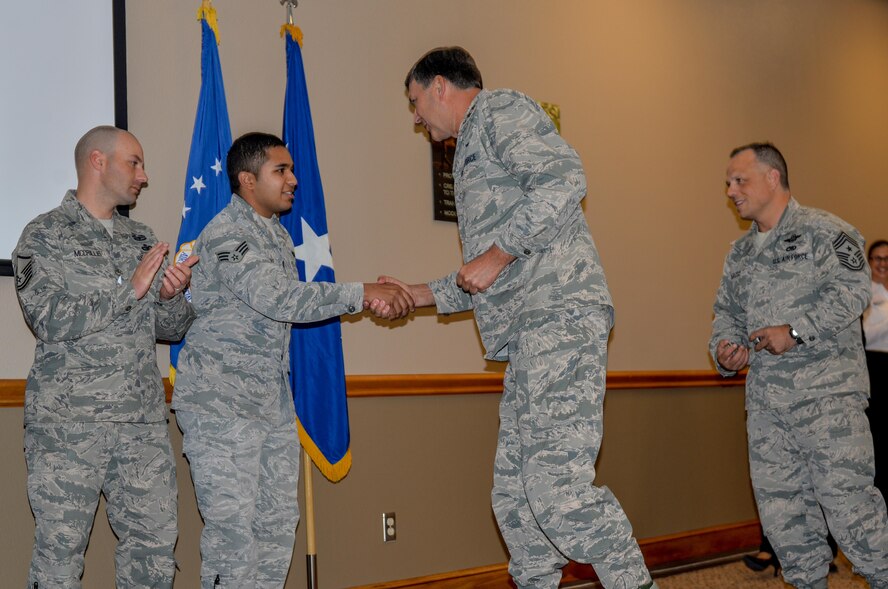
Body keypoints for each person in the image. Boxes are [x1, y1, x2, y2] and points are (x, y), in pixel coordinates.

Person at [377, 47, 656, 589]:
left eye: (414, 101)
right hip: (529, 333)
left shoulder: (499, 110)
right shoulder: (468, 150)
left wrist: (499, 251)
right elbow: (484, 277)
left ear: (439, 86)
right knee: (514, 497)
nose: (415, 116)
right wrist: (417, 293)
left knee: (558, 492)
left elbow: (565, 178)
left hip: (561, 317)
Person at [172, 132, 414, 588]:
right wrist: (361, 293)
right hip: (222, 405)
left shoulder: (277, 235)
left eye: (291, 170)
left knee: (277, 526)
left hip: (269, 402)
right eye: (280, 171)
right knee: (233, 538)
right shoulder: (229, 233)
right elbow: (278, 299)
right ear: (247, 180)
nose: (293, 180)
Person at [13, 125, 197, 588]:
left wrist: (173, 297)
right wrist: (128, 290)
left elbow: (168, 328)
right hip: (69, 427)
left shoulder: (141, 239)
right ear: (98, 161)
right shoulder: (43, 236)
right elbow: (48, 319)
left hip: (141, 427)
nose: (144, 175)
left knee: (153, 553)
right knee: (60, 556)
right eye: (134, 162)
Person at [710, 142, 888, 589]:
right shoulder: (741, 253)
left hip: (827, 402)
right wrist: (726, 350)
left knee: (854, 518)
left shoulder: (827, 231)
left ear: (773, 178)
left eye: (739, 180)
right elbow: (725, 313)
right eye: (728, 182)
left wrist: (793, 332)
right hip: (768, 409)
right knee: (787, 523)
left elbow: (853, 292)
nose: (731, 190)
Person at [864, 238, 888, 496]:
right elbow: (865, 335)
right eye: (877, 258)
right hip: (875, 371)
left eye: (887, 259)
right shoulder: (865, 295)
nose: (883, 264)